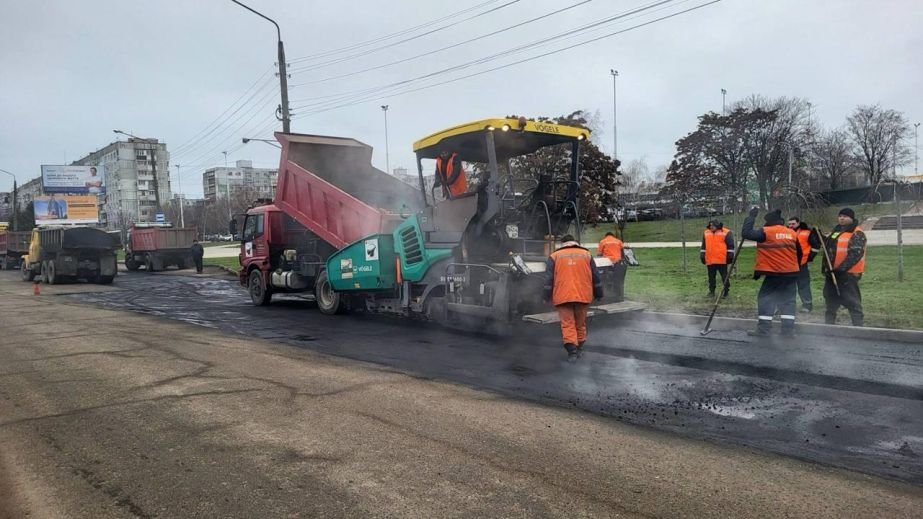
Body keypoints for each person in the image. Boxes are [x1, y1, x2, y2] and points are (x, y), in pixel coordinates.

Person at [742, 208, 802, 337]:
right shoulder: (791, 233)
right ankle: (788, 331)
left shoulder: (766, 232)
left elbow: (746, 233)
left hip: (773, 273)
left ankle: (764, 329)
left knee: (766, 299)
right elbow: (800, 253)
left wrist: (751, 217)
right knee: (788, 301)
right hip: (791, 273)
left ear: (768, 222)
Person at [543, 235, 603, 362]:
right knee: (580, 323)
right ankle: (580, 348)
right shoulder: (586, 254)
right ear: (575, 242)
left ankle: (572, 352)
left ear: (563, 243)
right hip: (583, 295)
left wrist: (545, 296)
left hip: (563, 296)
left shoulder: (555, 256)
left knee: (568, 324)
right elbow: (596, 276)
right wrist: (599, 293)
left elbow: (548, 279)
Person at [822, 207, 866, 326]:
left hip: (848, 274)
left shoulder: (857, 233)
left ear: (851, 218)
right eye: (840, 216)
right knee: (830, 300)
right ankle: (829, 326)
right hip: (832, 273)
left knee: (852, 301)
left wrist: (841, 269)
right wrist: (821, 238)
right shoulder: (837, 230)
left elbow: (855, 254)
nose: (841, 218)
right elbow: (830, 246)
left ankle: (858, 327)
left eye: (845, 216)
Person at [786, 217, 821, 312]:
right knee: (787, 285)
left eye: (793, 224)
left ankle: (807, 304)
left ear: (798, 223)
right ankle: (787, 305)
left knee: (803, 285)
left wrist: (810, 257)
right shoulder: (785, 232)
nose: (791, 226)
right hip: (788, 264)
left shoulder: (807, 232)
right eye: (789, 224)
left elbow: (816, 245)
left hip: (802, 263)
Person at [700, 220, 736, 298]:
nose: (711, 227)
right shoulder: (706, 232)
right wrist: (702, 255)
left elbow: (730, 245)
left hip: (721, 260)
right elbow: (703, 246)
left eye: (712, 225)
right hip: (710, 259)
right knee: (711, 277)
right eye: (710, 225)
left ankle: (726, 292)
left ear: (717, 225)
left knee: (724, 277)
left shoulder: (726, 232)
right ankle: (711, 291)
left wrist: (730, 255)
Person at [597, 231, 627, 301]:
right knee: (618, 280)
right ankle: (619, 295)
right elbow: (623, 252)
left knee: (605, 279)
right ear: (613, 236)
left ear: (606, 236)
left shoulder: (602, 241)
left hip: (607, 263)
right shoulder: (618, 241)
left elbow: (599, 254)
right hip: (618, 263)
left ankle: (605, 294)